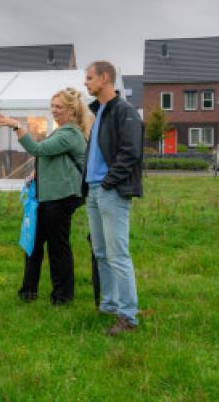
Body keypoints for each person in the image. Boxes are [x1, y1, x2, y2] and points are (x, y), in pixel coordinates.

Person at [0, 88, 88, 306]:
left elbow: (37, 149)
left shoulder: (70, 134)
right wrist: (37, 172)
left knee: (58, 248)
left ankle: (62, 296)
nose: (53, 110)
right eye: (52, 106)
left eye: (59, 106)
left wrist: (17, 126)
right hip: (47, 196)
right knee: (34, 243)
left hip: (61, 197)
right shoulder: (61, 131)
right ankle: (28, 291)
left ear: (71, 110)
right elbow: (53, 158)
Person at [83, 60, 143, 336]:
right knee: (101, 253)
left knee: (118, 254)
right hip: (93, 191)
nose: (86, 82)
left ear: (105, 78)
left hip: (111, 191)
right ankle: (109, 305)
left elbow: (131, 152)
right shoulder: (99, 111)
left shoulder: (124, 111)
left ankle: (128, 316)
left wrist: (108, 182)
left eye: (89, 77)